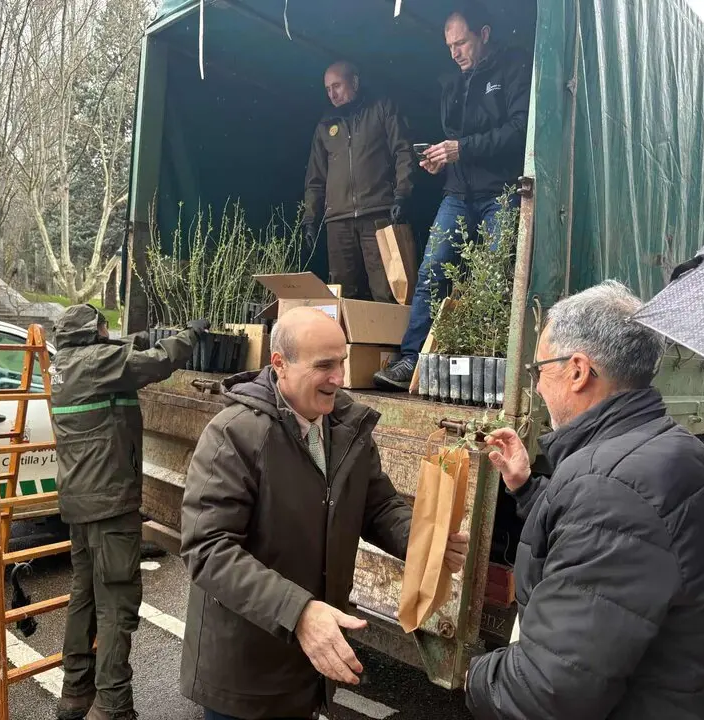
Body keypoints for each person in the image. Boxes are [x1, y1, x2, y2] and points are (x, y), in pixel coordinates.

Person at [465, 281, 704, 719]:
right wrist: (527, 487)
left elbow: (547, 692)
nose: (537, 387)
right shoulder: (668, 449)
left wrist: (476, 676)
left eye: (538, 370)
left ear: (577, 371)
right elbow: (611, 535)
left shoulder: (612, 490)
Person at [179, 306, 469, 720]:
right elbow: (208, 550)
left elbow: (379, 505)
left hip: (313, 656)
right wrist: (298, 611)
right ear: (279, 364)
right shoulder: (235, 434)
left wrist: (424, 543)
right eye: (325, 366)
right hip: (246, 669)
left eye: (343, 362)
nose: (340, 378)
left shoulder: (345, 427)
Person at [50, 305, 208, 720]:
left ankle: (75, 692)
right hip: (109, 504)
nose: (109, 333)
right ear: (93, 334)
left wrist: (134, 339)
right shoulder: (99, 361)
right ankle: (113, 706)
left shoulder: (65, 364)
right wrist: (190, 335)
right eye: (105, 328)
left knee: (84, 597)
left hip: (80, 504)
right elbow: (157, 363)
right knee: (117, 605)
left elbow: (123, 352)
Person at [374, 6, 530, 390]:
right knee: (431, 274)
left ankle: (492, 374)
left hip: (502, 193)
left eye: (461, 43)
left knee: (493, 283)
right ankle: (410, 360)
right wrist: (439, 160)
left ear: (485, 34)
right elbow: (456, 142)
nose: (455, 52)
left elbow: (519, 130)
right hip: (457, 193)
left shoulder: (514, 68)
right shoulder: (452, 81)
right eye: (449, 45)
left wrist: (462, 149)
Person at [303, 61, 414, 302]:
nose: (332, 94)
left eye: (337, 86)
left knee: (387, 291)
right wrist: (310, 218)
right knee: (342, 294)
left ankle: (391, 341)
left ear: (354, 82)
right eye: (327, 89)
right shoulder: (325, 125)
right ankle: (344, 341)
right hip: (338, 221)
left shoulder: (381, 108)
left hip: (378, 213)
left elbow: (403, 152)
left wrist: (402, 194)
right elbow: (315, 178)